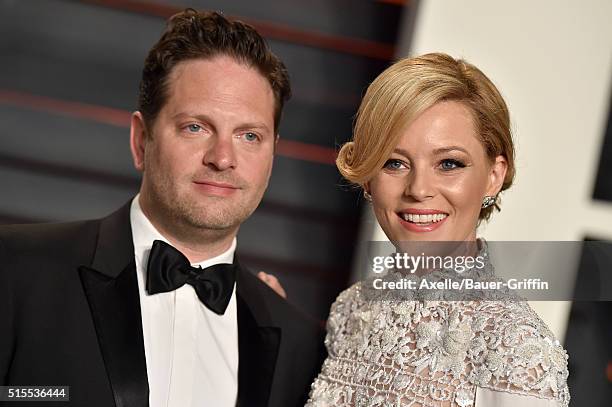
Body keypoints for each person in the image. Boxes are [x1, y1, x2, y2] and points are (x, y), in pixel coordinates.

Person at [0, 9, 325, 407]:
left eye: (249, 136)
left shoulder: (302, 346)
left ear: (271, 157)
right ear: (141, 140)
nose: (222, 158)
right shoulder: (15, 269)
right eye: (195, 127)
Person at [306, 53, 570, 406]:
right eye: (394, 163)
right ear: (368, 178)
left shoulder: (517, 349)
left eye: (449, 163)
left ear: (494, 175)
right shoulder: (351, 312)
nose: (418, 189)